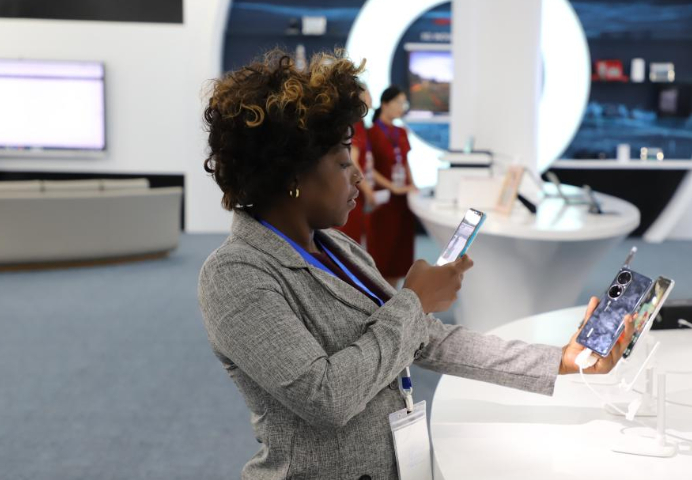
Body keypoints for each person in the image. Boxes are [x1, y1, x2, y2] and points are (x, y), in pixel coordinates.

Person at [198, 48, 633, 480]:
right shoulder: (235, 274)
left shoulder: (336, 247)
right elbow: (325, 396)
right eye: (343, 162)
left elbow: (426, 340)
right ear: (292, 174)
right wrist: (413, 302)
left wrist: (561, 360)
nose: (357, 176)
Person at [366, 86, 417, 287]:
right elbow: (368, 168)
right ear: (385, 104)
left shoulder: (401, 132)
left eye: (404, 103)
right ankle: (382, 295)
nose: (401, 107)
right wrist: (392, 187)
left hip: (403, 200)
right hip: (383, 200)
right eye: (398, 102)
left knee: (400, 254)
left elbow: (405, 162)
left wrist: (412, 184)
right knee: (383, 252)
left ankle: (394, 294)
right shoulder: (371, 133)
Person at [336, 84, 378, 246]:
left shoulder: (357, 123)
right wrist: (368, 191)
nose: (371, 98)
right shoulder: (356, 124)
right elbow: (352, 161)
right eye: (367, 94)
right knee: (349, 240)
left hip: (351, 188)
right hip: (353, 189)